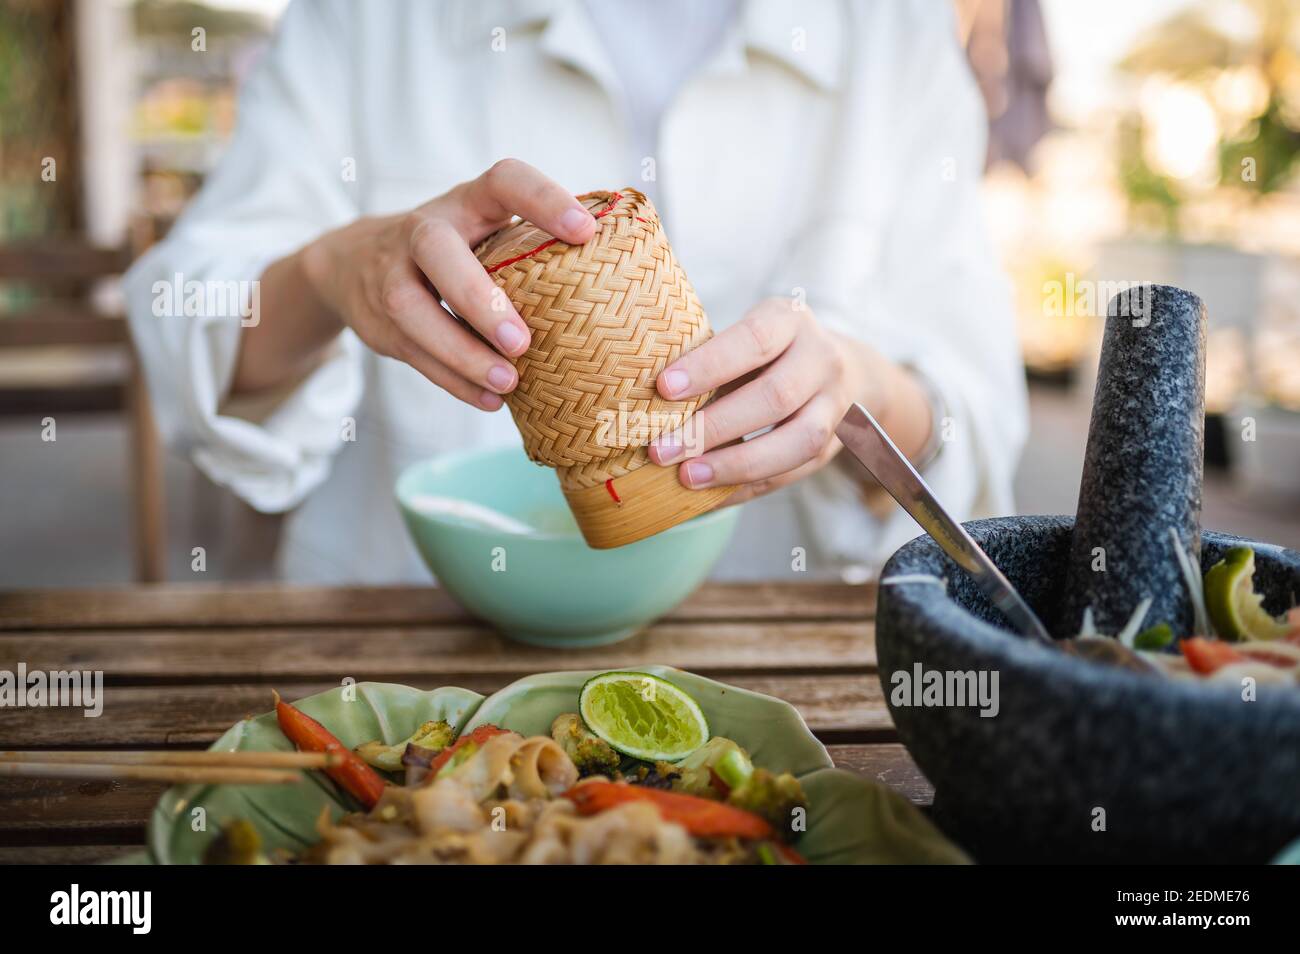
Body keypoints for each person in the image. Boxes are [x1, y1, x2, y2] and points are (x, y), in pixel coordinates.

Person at [125, 0, 1027, 582]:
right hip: (407, 670)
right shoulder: (368, 21)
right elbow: (185, 316)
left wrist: (853, 392)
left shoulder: (894, 34)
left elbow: (971, 426)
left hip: (775, 680)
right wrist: (330, 270)